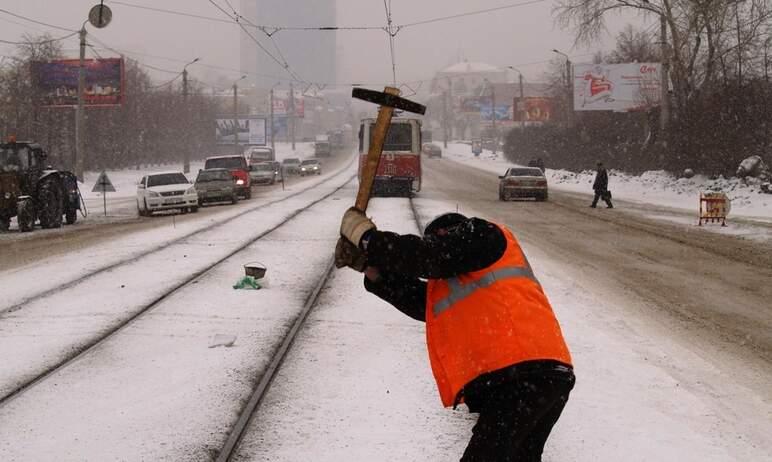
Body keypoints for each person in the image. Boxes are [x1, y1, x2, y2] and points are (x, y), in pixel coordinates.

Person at [336, 210, 575, 462]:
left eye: (437, 239)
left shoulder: (484, 235)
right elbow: (422, 303)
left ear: (446, 233)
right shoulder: (460, 272)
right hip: (540, 375)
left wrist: (369, 240)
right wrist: (371, 269)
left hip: (524, 371)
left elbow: (429, 256)